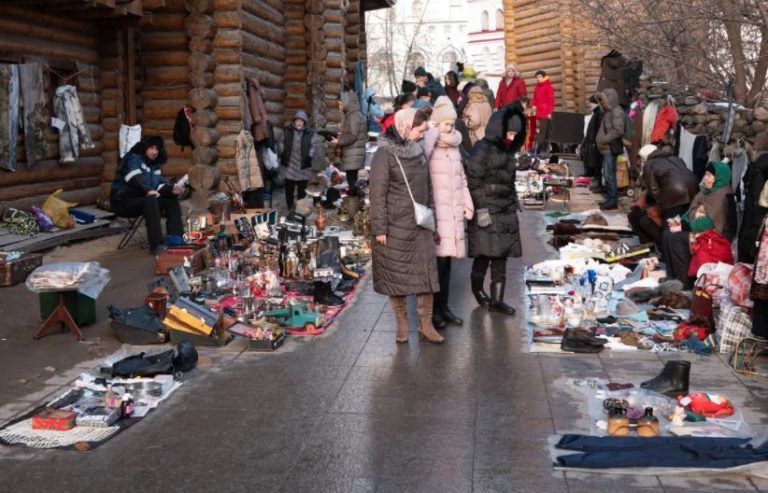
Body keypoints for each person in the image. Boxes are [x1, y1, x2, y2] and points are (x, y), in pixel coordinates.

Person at [369, 108, 444, 344]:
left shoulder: (418, 151)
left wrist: (434, 223)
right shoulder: (384, 154)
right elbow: (377, 194)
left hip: (420, 225)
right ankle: (402, 324)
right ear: (405, 127)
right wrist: (379, 229)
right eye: (420, 131)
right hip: (394, 226)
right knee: (397, 277)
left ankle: (426, 324)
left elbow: (428, 189)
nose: (422, 135)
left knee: (425, 276)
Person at [467, 102, 527, 315]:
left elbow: (508, 179)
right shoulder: (482, 148)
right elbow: (473, 180)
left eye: (515, 134)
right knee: (483, 254)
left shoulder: (508, 149)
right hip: (488, 208)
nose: (512, 137)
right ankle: (477, 290)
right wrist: (481, 209)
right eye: (509, 132)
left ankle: (497, 300)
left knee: (501, 254)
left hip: (505, 208)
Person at [423, 96, 474, 329]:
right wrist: (432, 132)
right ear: (436, 123)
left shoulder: (454, 147)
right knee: (437, 264)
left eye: (452, 123)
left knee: (447, 264)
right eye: (445, 123)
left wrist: (467, 202)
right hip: (436, 214)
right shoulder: (430, 144)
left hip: (452, 213)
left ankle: (444, 308)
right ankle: (433, 312)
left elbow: (461, 178)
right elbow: (420, 157)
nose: (450, 127)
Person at [662, 161, 733, 286]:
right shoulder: (705, 192)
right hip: (698, 228)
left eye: (710, 175)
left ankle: (684, 279)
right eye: (706, 174)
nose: (706, 178)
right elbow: (691, 211)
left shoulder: (722, 195)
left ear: (719, 177)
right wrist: (680, 222)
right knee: (667, 234)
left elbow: (711, 221)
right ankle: (672, 275)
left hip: (713, 234)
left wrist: (684, 227)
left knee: (677, 238)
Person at [111, 135, 184, 254]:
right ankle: (156, 245)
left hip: (142, 199)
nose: (155, 152)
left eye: (157, 149)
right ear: (145, 147)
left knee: (171, 199)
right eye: (152, 148)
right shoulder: (133, 157)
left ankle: (175, 238)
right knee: (150, 200)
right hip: (122, 201)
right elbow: (134, 176)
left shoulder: (154, 165)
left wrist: (172, 190)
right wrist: (147, 190)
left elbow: (159, 184)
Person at [628, 144, 698, 248]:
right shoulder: (675, 158)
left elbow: (654, 189)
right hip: (693, 190)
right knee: (682, 222)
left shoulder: (650, 164)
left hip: (673, 194)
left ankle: (666, 253)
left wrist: (660, 204)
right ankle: (683, 249)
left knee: (669, 225)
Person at [278, 110, 317, 210]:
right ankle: (290, 206)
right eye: (297, 121)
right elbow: (280, 141)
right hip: (289, 163)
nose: (299, 123)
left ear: (304, 122)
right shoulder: (287, 130)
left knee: (302, 188)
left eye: (301, 121)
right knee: (289, 187)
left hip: (303, 164)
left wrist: (310, 155)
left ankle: (300, 207)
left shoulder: (309, 133)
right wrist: (282, 150)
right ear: (294, 121)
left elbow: (313, 145)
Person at [595, 88, 625, 210]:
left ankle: (612, 200)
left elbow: (618, 131)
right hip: (606, 148)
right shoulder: (608, 111)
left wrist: (604, 140)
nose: (601, 103)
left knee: (610, 175)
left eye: (603, 100)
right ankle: (609, 198)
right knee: (607, 174)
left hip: (610, 148)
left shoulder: (616, 111)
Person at [332, 91, 367, 191]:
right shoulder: (352, 114)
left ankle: (353, 203)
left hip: (353, 154)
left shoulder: (353, 116)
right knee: (352, 180)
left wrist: (339, 141)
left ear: (347, 102)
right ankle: (353, 202)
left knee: (352, 182)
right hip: (353, 154)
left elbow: (352, 135)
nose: (339, 107)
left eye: (340, 104)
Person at [580, 95, 604, 188]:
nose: (589, 104)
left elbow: (597, 128)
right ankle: (592, 178)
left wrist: (595, 140)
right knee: (591, 160)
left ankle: (598, 183)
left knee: (596, 164)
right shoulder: (596, 112)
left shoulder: (599, 113)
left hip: (595, 142)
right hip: (591, 141)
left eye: (590, 102)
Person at [531, 70, 555, 154]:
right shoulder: (536, 87)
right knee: (536, 131)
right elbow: (534, 99)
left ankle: (540, 150)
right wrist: (533, 105)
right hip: (537, 113)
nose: (538, 79)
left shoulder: (548, 87)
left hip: (545, 113)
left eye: (540, 77)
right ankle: (538, 149)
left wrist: (549, 113)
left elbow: (551, 100)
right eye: (537, 77)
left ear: (544, 77)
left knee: (543, 132)